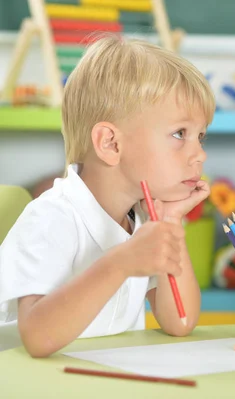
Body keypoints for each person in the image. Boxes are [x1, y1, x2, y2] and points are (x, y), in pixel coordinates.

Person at [0, 34, 215, 357]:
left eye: (200, 136)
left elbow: (180, 321)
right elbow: (37, 337)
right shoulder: (52, 217)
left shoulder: (146, 218)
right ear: (110, 144)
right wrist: (122, 263)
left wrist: (170, 222)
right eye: (179, 134)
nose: (199, 154)